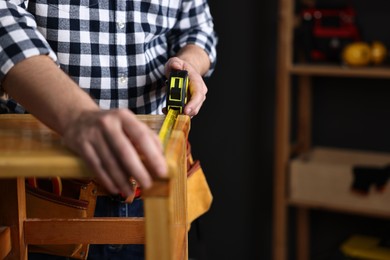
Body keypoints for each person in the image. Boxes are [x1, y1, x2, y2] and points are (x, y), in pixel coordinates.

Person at [0, 0, 217, 259]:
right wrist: (78, 115)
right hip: (45, 201)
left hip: (159, 199)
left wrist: (189, 62)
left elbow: (197, 27)